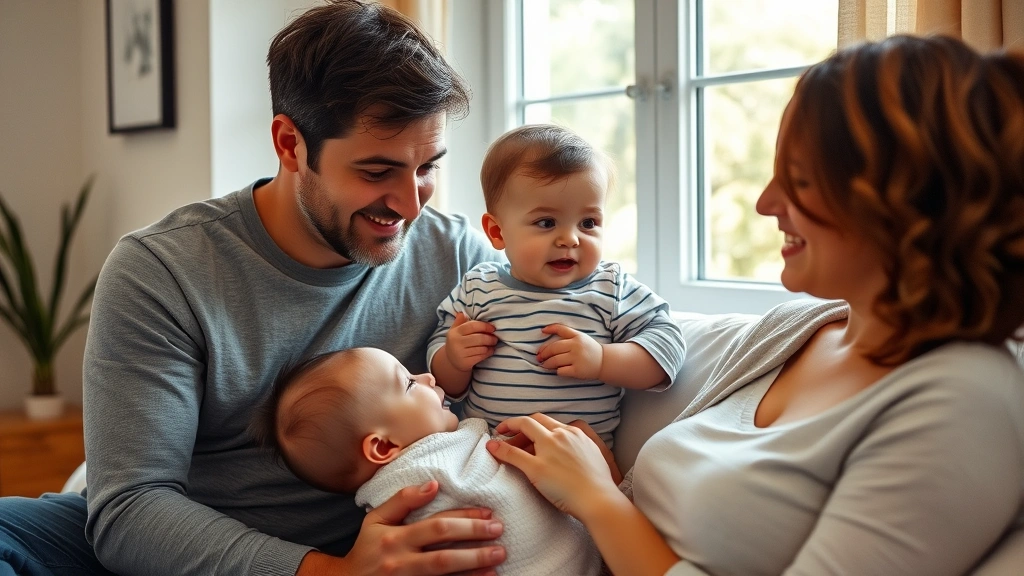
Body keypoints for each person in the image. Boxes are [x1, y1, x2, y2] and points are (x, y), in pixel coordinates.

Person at [0, 2, 510, 575]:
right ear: (290, 143)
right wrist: (331, 572)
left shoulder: (459, 257)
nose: (411, 203)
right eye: (376, 172)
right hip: (197, 553)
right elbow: (130, 507)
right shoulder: (162, 271)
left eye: (427, 168)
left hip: (379, 539)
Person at [487, 35, 1024, 576]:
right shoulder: (801, 329)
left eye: (800, 180)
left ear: (904, 199)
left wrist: (596, 500)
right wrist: (603, 478)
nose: (766, 203)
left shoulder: (960, 400)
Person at [428, 124, 686, 445]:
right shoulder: (478, 287)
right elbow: (441, 380)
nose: (570, 238)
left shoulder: (611, 288)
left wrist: (603, 360)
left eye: (588, 222)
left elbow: (668, 347)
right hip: (485, 449)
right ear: (497, 232)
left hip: (574, 460)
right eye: (546, 223)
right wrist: (454, 358)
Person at [249, 346, 603, 575]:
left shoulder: (451, 449)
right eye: (408, 383)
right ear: (384, 447)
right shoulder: (423, 479)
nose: (428, 377)